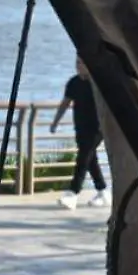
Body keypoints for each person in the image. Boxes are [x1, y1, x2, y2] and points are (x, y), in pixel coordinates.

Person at [51, 57, 108, 208]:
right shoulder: (74, 83)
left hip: (97, 128)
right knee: (90, 159)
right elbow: (65, 103)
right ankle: (102, 190)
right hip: (80, 127)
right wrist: (55, 122)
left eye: (82, 63)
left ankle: (73, 193)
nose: (78, 66)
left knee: (83, 158)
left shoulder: (98, 83)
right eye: (77, 63)